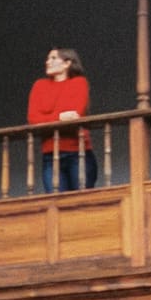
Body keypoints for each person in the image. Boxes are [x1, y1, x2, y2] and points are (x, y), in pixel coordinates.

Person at [27, 47, 98, 193]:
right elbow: (33, 119)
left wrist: (48, 119)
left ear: (67, 63)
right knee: (56, 205)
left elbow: (74, 114)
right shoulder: (39, 86)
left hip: (78, 154)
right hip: (50, 156)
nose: (47, 62)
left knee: (82, 203)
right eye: (47, 59)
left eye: (53, 58)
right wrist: (59, 117)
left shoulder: (79, 83)